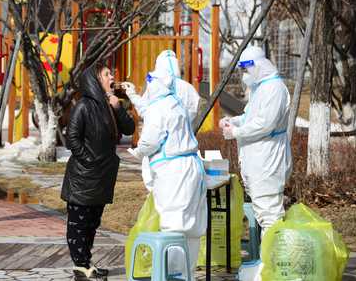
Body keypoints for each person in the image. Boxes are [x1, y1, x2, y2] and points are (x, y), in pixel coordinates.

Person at [127, 60, 207, 273]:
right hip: (191, 168)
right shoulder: (174, 102)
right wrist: (134, 96)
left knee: (173, 226)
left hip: (174, 173)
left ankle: (171, 274)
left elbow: (150, 140)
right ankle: (186, 274)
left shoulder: (159, 107)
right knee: (190, 227)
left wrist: (138, 151)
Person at [61, 62, 135, 281]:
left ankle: (86, 263)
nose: (111, 76)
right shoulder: (83, 105)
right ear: (95, 80)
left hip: (102, 176)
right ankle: (80, 266)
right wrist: (88, 160)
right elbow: (71, 138)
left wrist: (118, 108)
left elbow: (129, 129)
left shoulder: (109, 105)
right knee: (79, 223)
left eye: (111, 73)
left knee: (93, 222)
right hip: (84, 176)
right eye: (106, 74)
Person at [219, 45, 292, 236]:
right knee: (263, 212)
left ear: (258, 66)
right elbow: (250, 116)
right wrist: (233, 121)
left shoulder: (274, 89)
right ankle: (266, 259)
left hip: (268, 159)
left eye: (246, 69)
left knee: (270, 215)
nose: (244, 75)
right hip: (258, 160)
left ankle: (271, 261)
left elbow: (265, 124)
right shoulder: (261, 88)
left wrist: (236, 132)